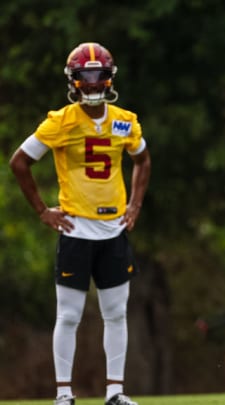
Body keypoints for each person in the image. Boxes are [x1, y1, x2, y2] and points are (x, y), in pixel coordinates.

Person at [9, 42, 150, 405]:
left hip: (114, 230)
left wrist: (134, 204)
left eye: (98, 75)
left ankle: (115, 392)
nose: (91, 84)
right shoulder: (60, 122)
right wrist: (42, 210)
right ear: (73, 81)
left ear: (109, 78)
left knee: (116, 313)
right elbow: (19, 162)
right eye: (83, 77)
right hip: (76, 229)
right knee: (69, 315)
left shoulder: (125, 120)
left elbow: (143, 159)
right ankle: (63, 395)